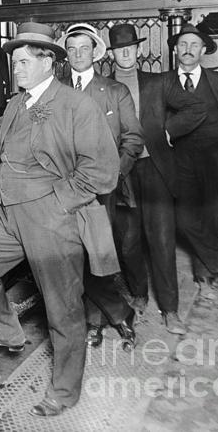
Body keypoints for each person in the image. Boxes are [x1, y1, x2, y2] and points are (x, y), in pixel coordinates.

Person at [0, 22, 119, 418]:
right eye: (15, 63)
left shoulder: (77, 105)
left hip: (52, 218)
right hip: (9, 213)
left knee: (63, 309)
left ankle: (64, 391)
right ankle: (5, 331)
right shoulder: (17, 102)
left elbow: (103, 170)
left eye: (25, 62)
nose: (17, 69)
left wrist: (59, 203)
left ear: (49, 61)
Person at [106, 23, 206, 335]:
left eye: (130, 47)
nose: (125, 53)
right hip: (122, 171)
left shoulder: (159, 82)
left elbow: (196, 106)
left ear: (138, 50)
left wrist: (167, 131)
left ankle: (171, 309)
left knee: (162, 239)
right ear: (111, 53)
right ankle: (138, 293)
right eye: (119, 49)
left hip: (155, 169)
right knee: (129, 241)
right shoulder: (103, 86)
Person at [59, 23, 143, 349]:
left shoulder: (114, 91)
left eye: (84, 48)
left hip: (102, 189)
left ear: (96, 52)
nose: (78, 54)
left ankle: (103, 317)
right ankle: (110, 315)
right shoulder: (56, 90)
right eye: (72, 49)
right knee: (73, 256)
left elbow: (133, 139)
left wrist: (113, 175)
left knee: (97, 254)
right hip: (65, 189)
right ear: (66, 55)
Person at [170, 22, 218, 298]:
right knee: (183, 219)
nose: (188, 50)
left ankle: (204, 277)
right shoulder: (163, 82)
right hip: (181, 159)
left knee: (212, 219)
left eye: (194, 45)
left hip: (217, 157)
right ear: (176, 49)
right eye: (183, 44)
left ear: (203, 50)